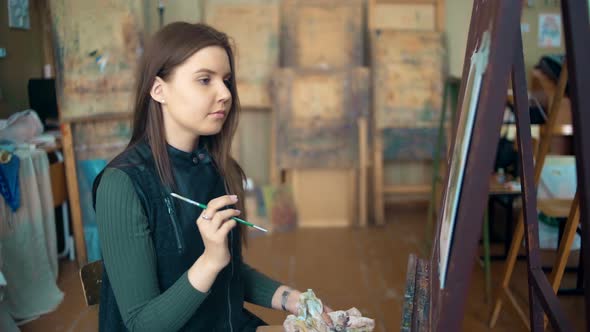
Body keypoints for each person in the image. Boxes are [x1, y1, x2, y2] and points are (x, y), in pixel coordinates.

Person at [92, 22, 333, 331]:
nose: (225, 94)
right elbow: (142, 325)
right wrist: (210, 261)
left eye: (227, 80)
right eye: (205, 80)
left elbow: (228, 272)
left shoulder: (218, 168)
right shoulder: (122, 184)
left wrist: (291, 299)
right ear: (158, 90)